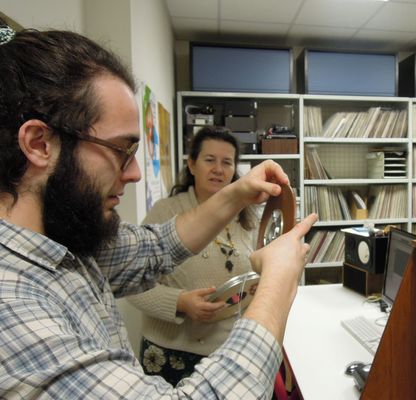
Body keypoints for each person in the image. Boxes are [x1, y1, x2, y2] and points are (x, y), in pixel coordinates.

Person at [0, 27, 317, 399]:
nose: (134, 173)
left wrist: (235, 195)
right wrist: (278, 282)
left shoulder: (64, 239)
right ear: (39, 144)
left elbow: (156, 248)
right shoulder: (12, 302)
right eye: (120, 150)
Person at [127, 126, 260, 385]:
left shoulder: (246, 216)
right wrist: (179, 302)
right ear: (191, 164)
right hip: (170, 352)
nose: (218, 170)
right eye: (209, 160)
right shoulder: (166, 212)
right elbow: (130, 285)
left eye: (227, 162)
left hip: (228, 349)